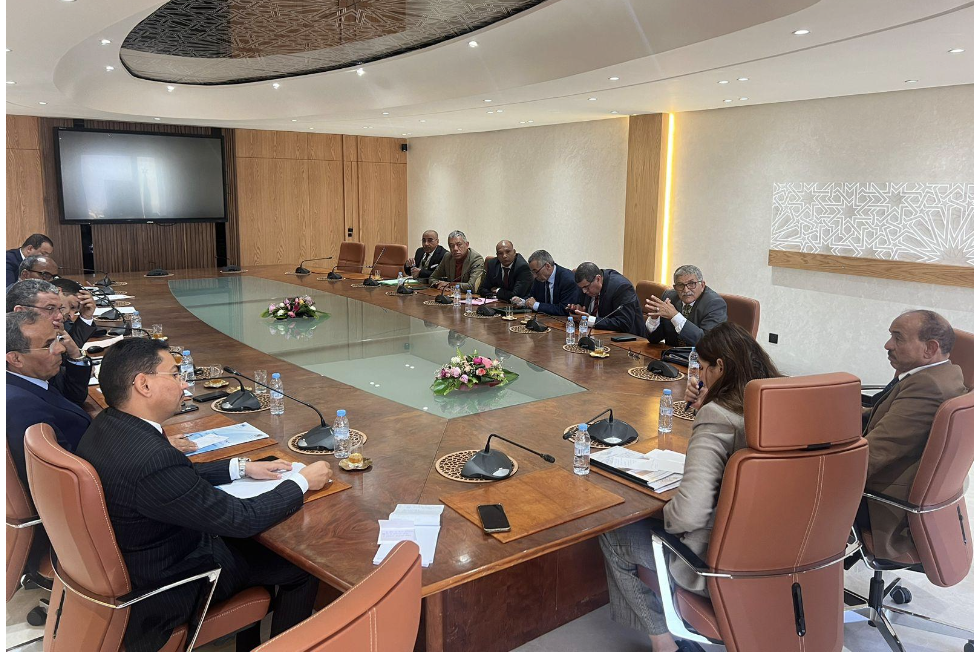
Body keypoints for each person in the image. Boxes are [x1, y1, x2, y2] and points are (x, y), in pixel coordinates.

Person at [75, 338, 333, 651]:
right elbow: (241, 520)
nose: (184, 384)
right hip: (172, 581)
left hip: (142, 558)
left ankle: (249, 642)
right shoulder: (152, 460)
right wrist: (302, 482)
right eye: (174, 375)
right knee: (299, 569)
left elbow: (175, 479)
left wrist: (240, 468)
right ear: (144, 384)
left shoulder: (108, 425)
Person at [599, 322, 780, 651]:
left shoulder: (718, 417)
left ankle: (663, 642)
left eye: (703, 368)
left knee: (613, 533)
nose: (700, 376)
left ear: (720, 367)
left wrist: (661, 514)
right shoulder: (780, 407)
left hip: (715, 565)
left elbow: (688, 516)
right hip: (780, 558)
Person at [858, 310, 968, 562]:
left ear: (930, 348)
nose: (887, 345)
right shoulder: (945, 373)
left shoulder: (927, 389)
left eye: (898, 338)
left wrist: (815, 469)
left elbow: (872, 456)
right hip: (897, 482)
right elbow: (889, 416)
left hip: (881, 504)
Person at [6, 310, 92, 486]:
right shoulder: (22, 408)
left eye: (57, 339)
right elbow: (62, 479)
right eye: (48, 345)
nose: (61, 349)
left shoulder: (28, 379)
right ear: (15, 359)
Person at [7, 279, 92, 406]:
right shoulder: (17, 346)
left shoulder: (52, 335)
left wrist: (75, 353)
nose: (60, 316)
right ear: (20, 311)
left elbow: (74, 396)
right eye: (50, 309)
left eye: (60, 308)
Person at [645, 265, 727, 347]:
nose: (686, 290)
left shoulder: (715, 304)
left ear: (702, 285)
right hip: (670, 353)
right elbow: (653, 339)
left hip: (699, 354)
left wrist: (675, 316)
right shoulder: (669, 297)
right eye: (680, 285)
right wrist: (654, 319)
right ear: (675, 288)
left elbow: (706, 343)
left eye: (691, 284)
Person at [568, 262, 645, 335]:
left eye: (586, 287)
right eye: (581, 288)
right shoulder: (588, 285)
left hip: (630, 338)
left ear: (598, 279)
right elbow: (585, 310)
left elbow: (624, 323)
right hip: (599, 334)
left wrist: (591, 320)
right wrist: (578, 311)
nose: (584, 291)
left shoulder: (621, 287)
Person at [513, 249, 579, 316]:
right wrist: (522, 301)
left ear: (548, 266)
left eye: (536, 271)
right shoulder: (540, 278)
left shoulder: (567, 280)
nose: (534, 276)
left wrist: (536, 305)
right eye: (532, 272)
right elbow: (532, 296)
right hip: (543, 319)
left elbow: (564, 309)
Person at [51, 277, 98, 346]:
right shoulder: (35, 317)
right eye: (72, 306)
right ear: (58, 292)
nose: (71, 316)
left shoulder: (63, 323)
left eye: (76, 312)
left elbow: (72, 347)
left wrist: (86, 317)